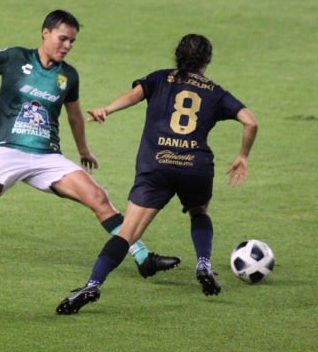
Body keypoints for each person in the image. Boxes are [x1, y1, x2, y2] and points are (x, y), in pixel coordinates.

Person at [0, 10, 179, 280]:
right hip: (7, 151)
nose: (68, 46)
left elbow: (74, 116)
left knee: (98, 197)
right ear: (45, 33)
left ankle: (143, 258)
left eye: (72, 41)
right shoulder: (16, 58)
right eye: (63, 38)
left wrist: (84, 151)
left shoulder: (68, 76)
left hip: (48, 157)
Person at [57, 33, 258, 315]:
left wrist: (107, 109)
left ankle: (93, 284)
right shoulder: (215, 91)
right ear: (207, 60)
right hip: (195, 167)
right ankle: (203, 263)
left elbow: (134, 95)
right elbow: (250, 122)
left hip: (156, 167)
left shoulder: (160, 78)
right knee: (199, 212)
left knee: (127, 233)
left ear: (178, 56)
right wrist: (242, 156)